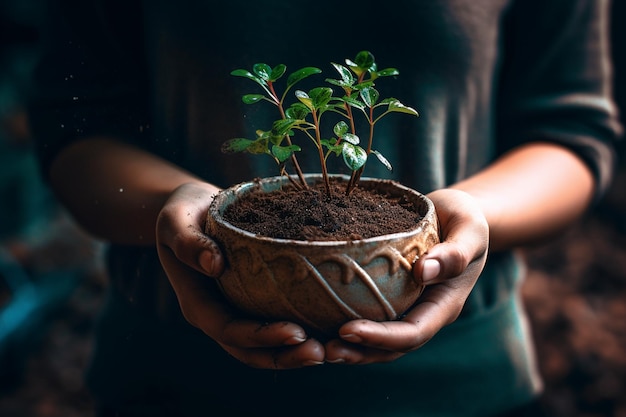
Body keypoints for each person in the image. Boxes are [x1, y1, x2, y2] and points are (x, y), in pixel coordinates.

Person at [26, 0, 621, 416]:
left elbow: (570, 131)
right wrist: (173, 205)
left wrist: (466, 215)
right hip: (172, 385)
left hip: (466, 386)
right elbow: (76, 125)